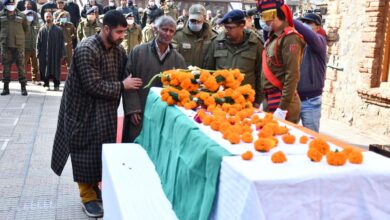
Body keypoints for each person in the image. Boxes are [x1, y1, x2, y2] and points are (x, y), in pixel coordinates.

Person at [51, 10, 142, 218]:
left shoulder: (118, 51)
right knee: (84, 152)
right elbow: (93, 85)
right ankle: (87, 197)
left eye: (124, 33)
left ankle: (95, 188)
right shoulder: (86, 49)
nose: (122, 37)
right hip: (81, 112)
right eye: (119, 32)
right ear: (106, 29)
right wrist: (122, 85)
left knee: (101, 152)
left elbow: (128, 74)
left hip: (105, 113)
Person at [122, 15, 186, 142]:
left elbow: (182, 90)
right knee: (136, 144)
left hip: (165, 114)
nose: (168, 33)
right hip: (140, 111)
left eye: (171, 31)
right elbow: (127, 81)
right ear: (156, 29)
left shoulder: (178, 60)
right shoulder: (138, 52)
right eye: (164, 29)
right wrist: (133, 109)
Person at [256, 0, 305, 123]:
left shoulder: (290, 38)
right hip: (270, 99)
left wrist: (282, 108)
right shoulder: (273, 38)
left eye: (264, 16)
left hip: (283, 104)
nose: (263, 21)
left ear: (274, 15)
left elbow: (292, 75)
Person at [204, 9, 263, 107]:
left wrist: (258, 101)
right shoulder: (216, 42)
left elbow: (260, 75)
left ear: (242, 26)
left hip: (245, 101)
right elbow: (208, 71)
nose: (227, 31)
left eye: (230, 28)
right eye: (225, 27)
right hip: (220, 99)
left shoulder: (255, 44)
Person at [294, 13, 327, 132]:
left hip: (310, 101)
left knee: (312, 139)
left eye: (309, 23)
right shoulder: (297, 43)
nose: (305, 25)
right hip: (294, 99)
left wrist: (289, 17)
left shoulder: (320, 42)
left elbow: (308, 34)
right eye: (303, 23)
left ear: (318, 27)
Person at [0, 0, 28, 96]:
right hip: (6, 45)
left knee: (21, 66)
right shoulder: (1, 15)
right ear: (6, 5)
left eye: (12, 4)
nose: (11, 6)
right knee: (6, 67)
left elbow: (26, 29)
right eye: (9, 4)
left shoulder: (21, 15)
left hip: (18, 45)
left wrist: (20, 37)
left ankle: (23, 88)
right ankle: (6, 88)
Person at [36, 12, 66, 91]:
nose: (48, 18)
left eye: (49, 16)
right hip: (44, 54)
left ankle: (56, 84)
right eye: (47, 17)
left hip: (55, 54)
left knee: (56, 69)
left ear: (52, 17)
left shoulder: (58, 29)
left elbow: (62, 42)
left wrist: (63, 53)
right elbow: (38, 42)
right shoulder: (42, 30)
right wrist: (37, 53)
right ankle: (46, 84)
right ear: (44, 18)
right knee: (44, 69)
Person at [24, 9, 40, 84]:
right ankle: (23, 80)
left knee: (35, 65)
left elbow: (38, 33)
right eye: (28, 15)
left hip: (34, 47)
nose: (30, 16)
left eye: (31, 15)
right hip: (25, 47)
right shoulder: (22, 25)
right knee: (23, 65)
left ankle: (35, 80)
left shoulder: (36, 24)